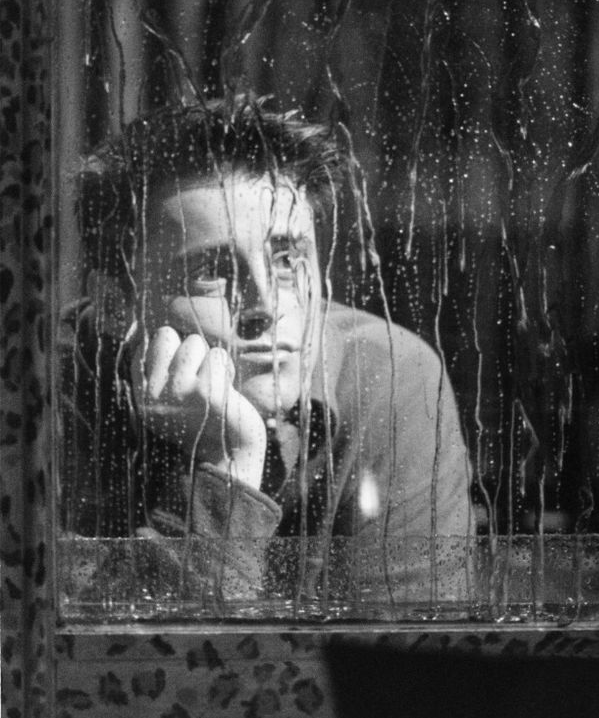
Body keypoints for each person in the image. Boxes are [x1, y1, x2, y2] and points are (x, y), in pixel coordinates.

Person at [60, 96, 474, 614]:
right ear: (115, 305)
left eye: (285, 259)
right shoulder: (44, 394)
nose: (265, 306)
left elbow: (409, 669)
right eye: (210, 270)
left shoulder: (390, 375)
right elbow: (126, 678)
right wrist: (227, 465)